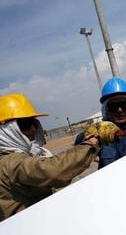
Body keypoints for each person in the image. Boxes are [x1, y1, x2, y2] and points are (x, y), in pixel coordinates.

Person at [0, 93, 101, 221]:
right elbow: (52, 170)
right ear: (4, 130)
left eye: (34, 122)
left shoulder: (22, 155)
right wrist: (91, 143)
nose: (33, 129)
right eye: (25, 124)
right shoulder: (10, 162)